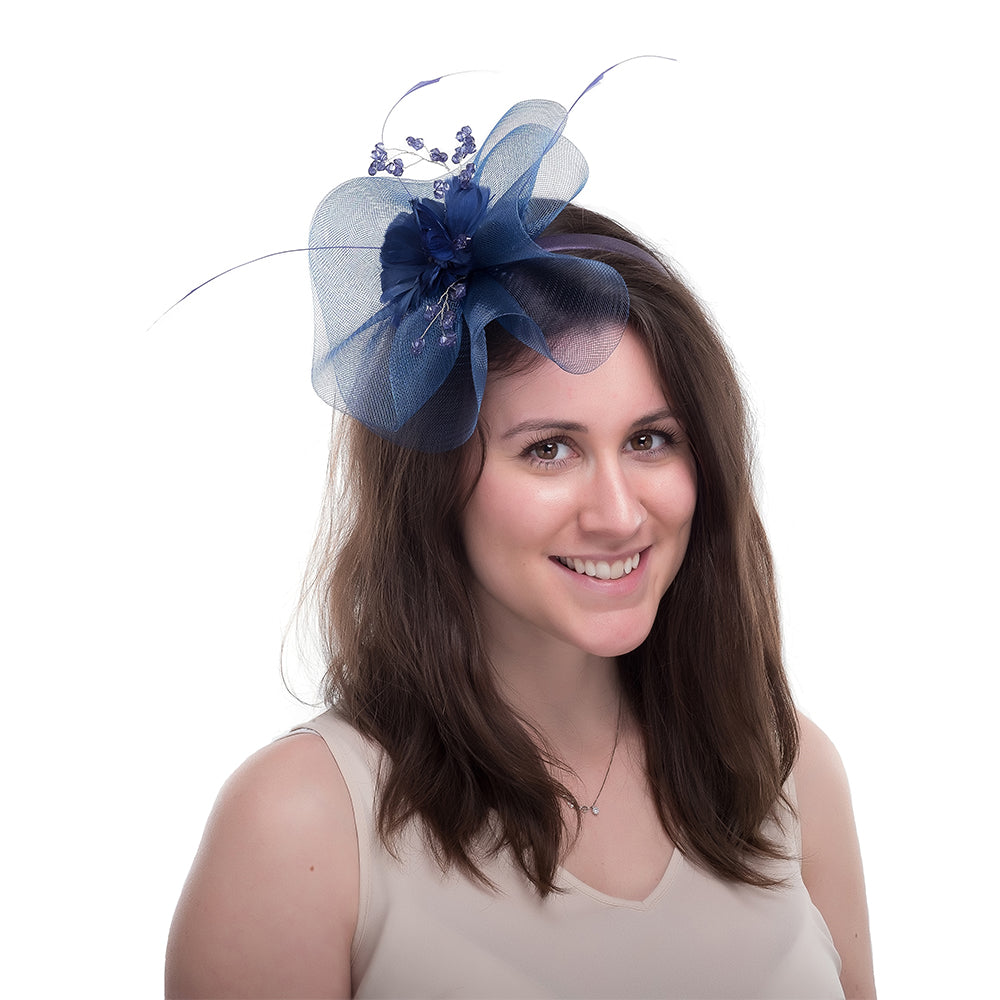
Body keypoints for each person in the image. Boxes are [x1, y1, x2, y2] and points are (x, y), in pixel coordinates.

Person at [165, 74, 875, 999]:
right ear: (434, 486)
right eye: (549, 449)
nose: (619, 513)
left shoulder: (787, 772)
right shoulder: (302, 827)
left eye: (651, 440)